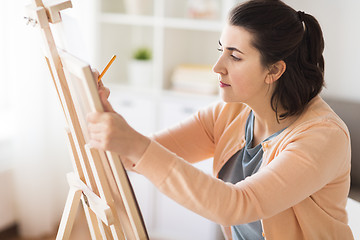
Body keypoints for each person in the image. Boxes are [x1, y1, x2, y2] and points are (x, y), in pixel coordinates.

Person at [87, 0, 354, 239]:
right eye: (221, 50)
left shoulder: (322, 136)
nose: (217, 67)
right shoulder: (231, 113)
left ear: (274, 70)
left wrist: (133, 144)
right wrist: (107, 115)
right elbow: (138, 157)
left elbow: (236, 205)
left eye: (235, 56)